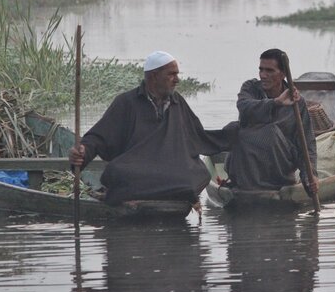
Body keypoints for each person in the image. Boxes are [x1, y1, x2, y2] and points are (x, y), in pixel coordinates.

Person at [69, 51, 226, 205]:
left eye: (177, 74)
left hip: (171, 167)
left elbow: (198, 136)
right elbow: (99, 137)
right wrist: (83, 150)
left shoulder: (177, 102)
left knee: (199, 173)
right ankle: (160, 193)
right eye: (171, 74)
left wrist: (234, 134)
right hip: (137, 168)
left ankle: (132, 194)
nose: (177, 80)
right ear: (153, 77)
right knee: (118, 172)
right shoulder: (126, 102)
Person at [224, 48, 318, 195]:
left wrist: (310, 176)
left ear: (283, 74)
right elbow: (244, 108)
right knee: (233, 129)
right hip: (247, 167)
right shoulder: (250, 88)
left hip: (278, 169)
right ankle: (243, 183)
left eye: (269, 71)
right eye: (261, 70)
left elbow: (307, 144)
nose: (263, 75)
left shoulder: (297, 103)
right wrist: (276, 102)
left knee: (270, 132)